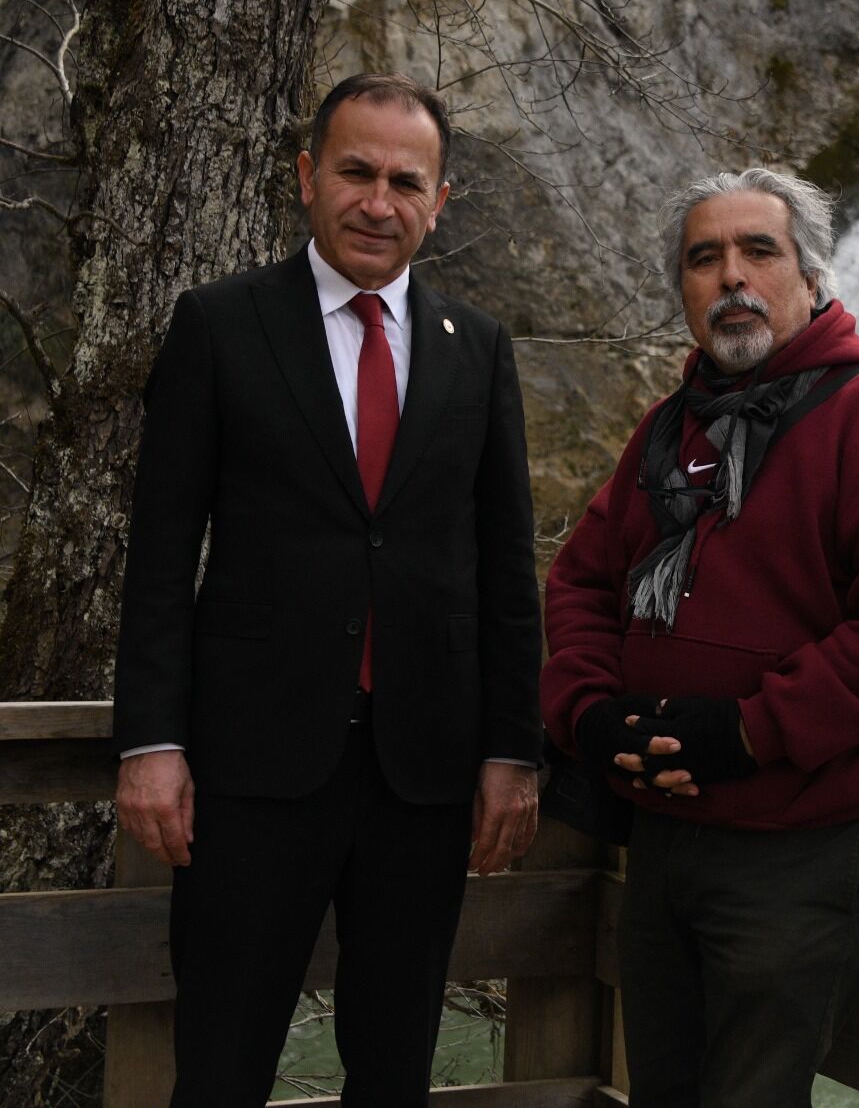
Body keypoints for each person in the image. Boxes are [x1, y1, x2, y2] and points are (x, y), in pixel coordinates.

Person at [112, 72, 542, 1107]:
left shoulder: (476, 349)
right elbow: (162, 553)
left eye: (406, 181)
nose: (377, 201)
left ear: (439, 204)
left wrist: (512, 750)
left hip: (422, 774)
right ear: (308, 176)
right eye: (355, 171)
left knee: (393, 1065)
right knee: (222, 1059)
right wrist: (149, 742)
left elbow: (504, 568)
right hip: (252, 771)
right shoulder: (220, 326)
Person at [541, 168, 859, 1106]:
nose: (731, 277)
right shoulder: (667, 430)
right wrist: (593, 716)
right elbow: (579, 584)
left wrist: (743, 733)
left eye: (757, 252)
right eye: (705, 259)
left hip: (801, 847)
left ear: (808, 278)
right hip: (665, 841)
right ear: (684, 293)